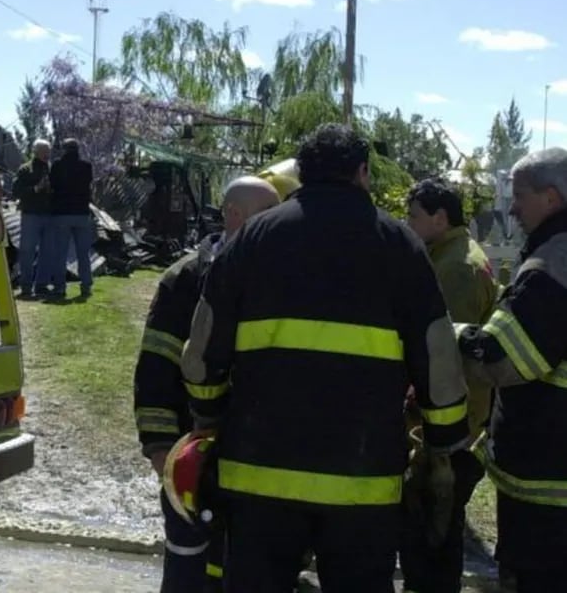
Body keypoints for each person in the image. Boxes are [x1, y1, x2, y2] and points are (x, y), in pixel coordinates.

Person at [180, 123, 470, 592]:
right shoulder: (400, 245)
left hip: (258, 477)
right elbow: (437, 355)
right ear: (362, 173)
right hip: (363, 482)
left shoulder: (252, 238)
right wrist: (444, 441)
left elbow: (203, 350)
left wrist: (209, 414)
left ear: (303, 174)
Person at [134, 175, 289, 593]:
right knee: (189, 568)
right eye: (267, 215)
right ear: (234, 216)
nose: (276, 225)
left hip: (256, 462)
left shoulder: (278, 280)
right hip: (194, 460)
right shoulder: (185, 279)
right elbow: (155, 369)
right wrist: (162, 450)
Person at [452, 147, 567, 593]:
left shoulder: (552, 265)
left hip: (549, 486)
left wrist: (457, 334)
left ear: (552, 198)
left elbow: (505, 358)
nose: (513, 207)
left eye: (519, 196)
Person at [401, 178, 498, 593]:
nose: (408, 225)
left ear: (440, 219)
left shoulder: (456, 268)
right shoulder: (448, 256)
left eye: (414, 217)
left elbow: (445, 356)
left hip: (448, 432)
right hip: (451, 425)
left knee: (431, 542)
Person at [48, 138, 94, 299]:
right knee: (83, 253)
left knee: (61, 253)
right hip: (81, 213)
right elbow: (88, 185)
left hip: (61, 213)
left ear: (64, 149)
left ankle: (60, 287)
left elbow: (52, 185)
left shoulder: (57, 166)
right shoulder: (86, 167)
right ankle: (86, 286)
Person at [11, 139, 54, 298]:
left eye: (48, 151)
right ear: (36, 151)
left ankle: (42, 286)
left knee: (47, 252)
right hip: (31, 215)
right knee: (27, 251)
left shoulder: (52, 170)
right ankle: (26, 287)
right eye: (44, 151)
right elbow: (15, 192)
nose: (47, 154)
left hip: (49, 215)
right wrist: (36, 188)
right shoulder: (25, 169)